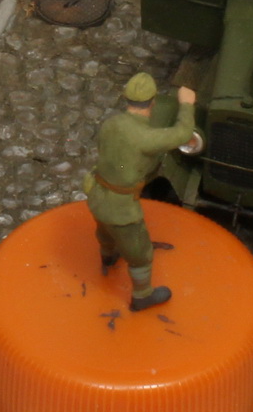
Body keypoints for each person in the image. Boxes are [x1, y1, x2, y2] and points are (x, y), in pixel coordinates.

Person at [84, 73, 196, 312]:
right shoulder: (146, 137)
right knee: (140, 253)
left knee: (104, 230)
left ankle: (108, 256)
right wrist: (186, 104)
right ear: (152, 102)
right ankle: (142, 296)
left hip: (97, 193)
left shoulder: (111, 123)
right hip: (121, 208)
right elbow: (184, 133)